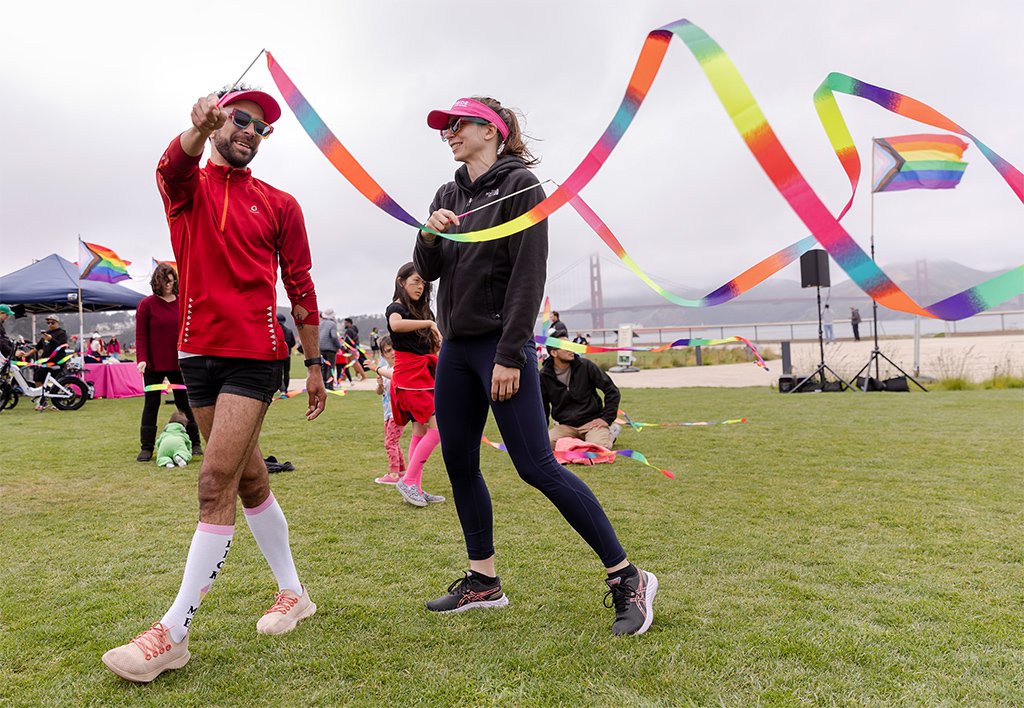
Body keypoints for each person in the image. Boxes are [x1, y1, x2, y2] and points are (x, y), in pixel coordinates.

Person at [102, 86, 327, 684]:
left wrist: (315, 366)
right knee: (248, 477)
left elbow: (302, 289)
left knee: (212, 480)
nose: (252, 131)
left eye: (263, 127)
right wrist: (194, 131)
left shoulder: (280, 203)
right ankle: (294, 593)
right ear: (219, 120)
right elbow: (170, 167)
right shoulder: (189, 189)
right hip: (196, 358)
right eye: (242, 119)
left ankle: (172, 632)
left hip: (255, 357)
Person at [414, 96, 656, 635]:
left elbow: (529, 275)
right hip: (454, 348)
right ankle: (484, 581)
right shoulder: (447, 192)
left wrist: (509, 353)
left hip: (503, 346)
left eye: (458, 125)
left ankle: (628, 577)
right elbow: (427, 269)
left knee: (536, 466)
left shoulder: (523, 186)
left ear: (492, 129)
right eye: (445, 128)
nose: (449, 133)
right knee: (458, 462)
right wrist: (429, 231)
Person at [386, 262, 445, 506]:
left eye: (423, 283)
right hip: (409, 378)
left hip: (423, 376)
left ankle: (416, 487)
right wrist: (430, 324)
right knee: (437, 429)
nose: (420, 287)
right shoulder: (396, 307)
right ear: (401, 282)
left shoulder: (422, 311)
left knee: (420, 431)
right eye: (415, 281)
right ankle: (408, 480)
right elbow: (395, 325)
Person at [134, 263, 201, 462]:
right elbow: (141, 336)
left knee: (185, 403)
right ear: (157, 281)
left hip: (179, 363)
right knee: (151, 404)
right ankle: (146, 448)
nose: (169, 285)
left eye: (172, 281)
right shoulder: (146, 305)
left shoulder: (182, 303)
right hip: (153, 365)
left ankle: (195, 442)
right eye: (166, 281)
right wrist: (142, 360)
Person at [541, 337, 621, 449]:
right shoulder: (544, 375)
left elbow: (611, 390)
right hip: (565, 426)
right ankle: (579, 440)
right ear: (554, 353)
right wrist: (541, 432)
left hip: (592, 423)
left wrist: (606, 418)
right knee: (544, 447)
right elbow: (542, 406)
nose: (572, 349)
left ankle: (611, 434)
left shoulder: (586, 366)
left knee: (597, 450)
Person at [365, 335, 405, 484]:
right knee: (394, 442)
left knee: (390, 442)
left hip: (397, 413)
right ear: (383, 355)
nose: (393, 353)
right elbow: (379, 392)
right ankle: (402, 471)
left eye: (394, 348)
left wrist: (377, 369)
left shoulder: (397, 368)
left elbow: (395, 376)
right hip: (388, 413)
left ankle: (394, 475)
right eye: (388, 351)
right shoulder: (386, 369)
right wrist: (380, 385)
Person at [31, 315, 68, 411]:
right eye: (48, 323)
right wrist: (26, 354)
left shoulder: (62, 333)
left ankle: (59, 402)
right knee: (37, 378)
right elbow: (38, 347)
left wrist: (51, 339)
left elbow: (62, 346)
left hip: (57, 361)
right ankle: (42, 401)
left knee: (58, 382)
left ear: (58, 323)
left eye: (52, 322)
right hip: (45, 362)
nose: (50, 325)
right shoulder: (46, 334)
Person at [318, 309, 339, 389]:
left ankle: (322, 385)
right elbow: (334, 336)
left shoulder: (321, 323)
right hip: (330, 349)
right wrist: (338, 346)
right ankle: (329, 385)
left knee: (323, 367)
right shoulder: (332, 324)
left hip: (321, 348)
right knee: (331, 367)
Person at [277, 313, 296, 398]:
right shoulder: (289, 331)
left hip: (278, 355)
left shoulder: (275, 331)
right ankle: (286, 389)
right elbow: (293, 343)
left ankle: (282, 390)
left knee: (279, 373)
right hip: (287, 355)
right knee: (286, 372)